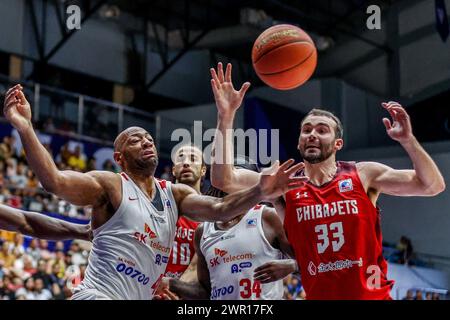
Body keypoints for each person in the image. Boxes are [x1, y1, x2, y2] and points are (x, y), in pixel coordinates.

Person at [3, 84, 305, 300]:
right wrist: (26, 128)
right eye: (136, 140)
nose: (147, 141)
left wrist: (259, 191)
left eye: (149, 138)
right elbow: (54, 182)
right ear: (119, 157)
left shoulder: (173, 195)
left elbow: (218, 210)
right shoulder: (110, 185)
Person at [208, 62, 445, 300]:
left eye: (322, 130)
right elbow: (223, 179)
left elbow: (432, 185)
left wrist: (408, 141)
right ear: (299, 142)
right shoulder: (284, 183)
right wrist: (225, 116)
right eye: (307, 130)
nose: (312, 134)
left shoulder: (363, 175)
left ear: (337, 144)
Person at [156, 160, 298, 300]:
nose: (230, 183)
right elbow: (205, 292)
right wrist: (171, 284)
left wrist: (291, 265)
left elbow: (309, 260)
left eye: (236, 178)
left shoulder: (267, 216)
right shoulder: (203, 230)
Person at [163, 145, 205, 281]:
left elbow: (197, 266)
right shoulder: (156, 203)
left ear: (203, 170)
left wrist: (176, 288)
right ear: (174, 170)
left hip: (187, 292)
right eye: (181, 158)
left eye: (193, 159)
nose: (186, 163)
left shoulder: (212, 214)